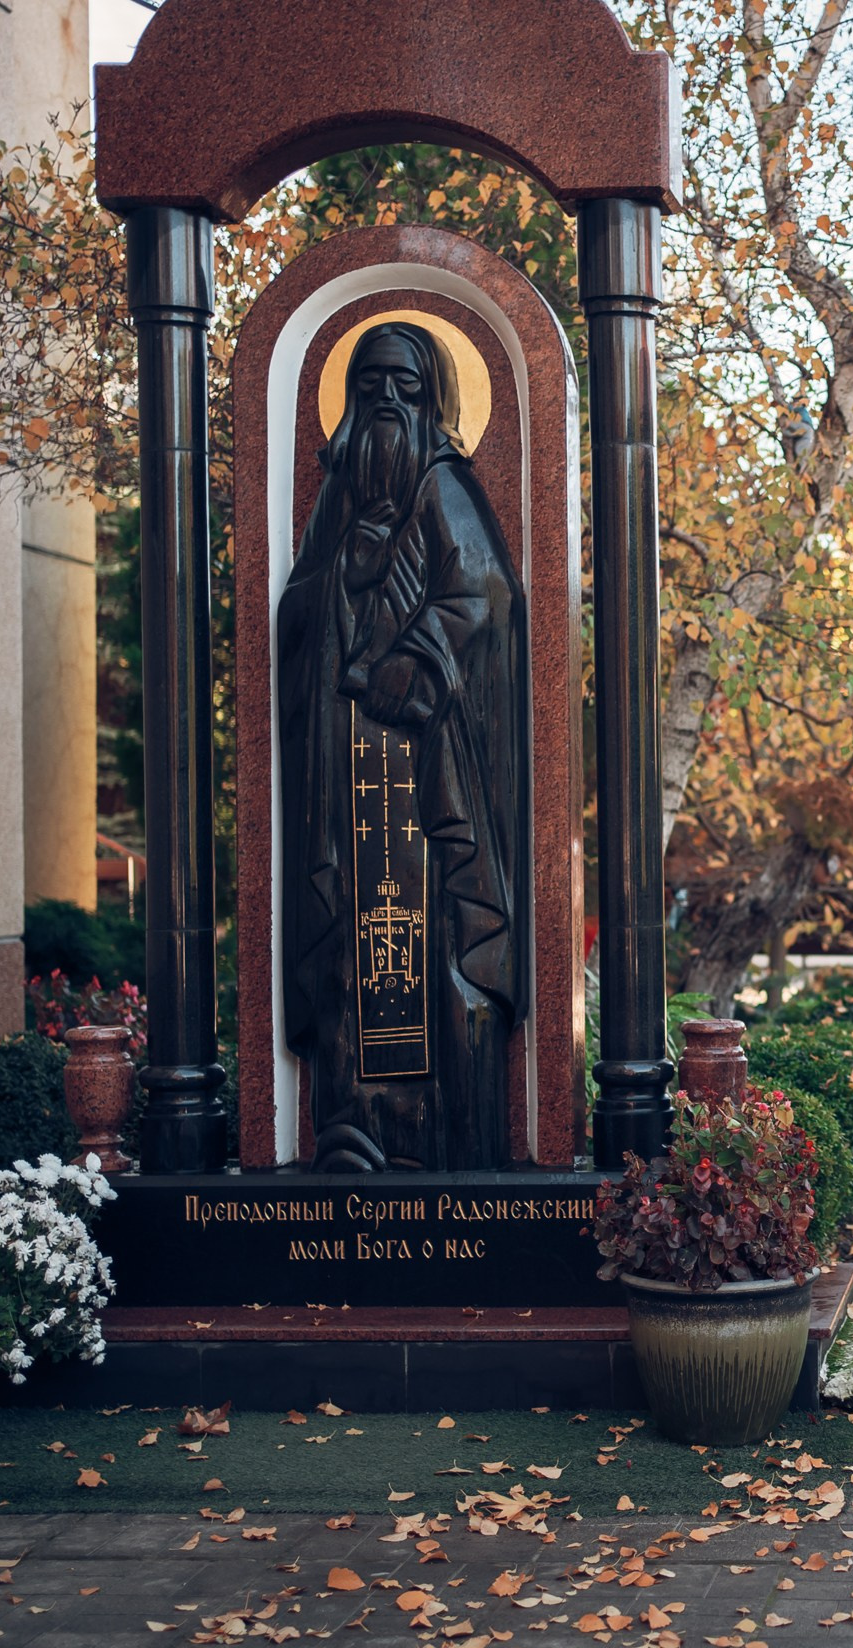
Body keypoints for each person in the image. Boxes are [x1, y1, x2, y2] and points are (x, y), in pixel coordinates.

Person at [278, 320, 531, 1173]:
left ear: (435, 401)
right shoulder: (337, 504)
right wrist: (343, 575)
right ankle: (359, 1126)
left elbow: (487, 592)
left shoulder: (444, 484)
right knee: (356, 934)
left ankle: (448, 1135)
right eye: (371, 383)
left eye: (406, 385)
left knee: (432, 934)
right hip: (344, 758)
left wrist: (412, 656)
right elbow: (293, 615)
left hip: (427, 766)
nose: (387, 399)